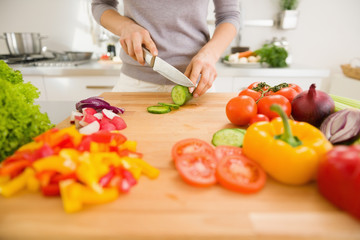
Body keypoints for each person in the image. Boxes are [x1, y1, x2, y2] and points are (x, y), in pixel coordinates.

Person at [92, 0, 240, 97]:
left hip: (195, 85)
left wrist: (210, 54)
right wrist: (125, 26)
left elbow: (229, 15)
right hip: (134, 85)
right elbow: (101, 4)